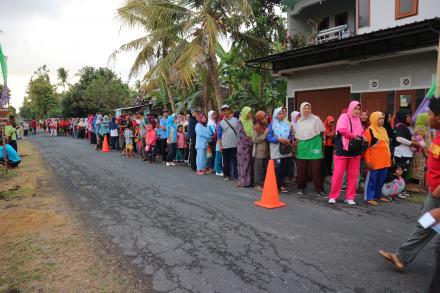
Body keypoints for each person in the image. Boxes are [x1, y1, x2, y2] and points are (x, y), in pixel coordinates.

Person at [378, 98, 440, 288]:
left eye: (430, 114)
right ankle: (402, 257)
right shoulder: (438, 136)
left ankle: (403, 257)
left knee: (428, 225)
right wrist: (426, 149)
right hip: (434, 194)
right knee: (425, 224)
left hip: (438, 195)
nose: (427, 117)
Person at [329, 101, 366, 205]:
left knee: (353, 175)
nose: (357, 111)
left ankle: (350, 197)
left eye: (359, 109)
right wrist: (354, 136)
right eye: (355, 108)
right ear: (350, 108)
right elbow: (342, 129)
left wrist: (363, 137)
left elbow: (361, 133)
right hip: (342, 149)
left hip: (355, 151)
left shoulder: (358, 119)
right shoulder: (344, 116)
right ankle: (333, 196)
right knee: (338, 174)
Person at [294, 102, 325, 196]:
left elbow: (321, 131)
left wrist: (318, 142)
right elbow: (297, 136)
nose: (307, 110)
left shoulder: (316, 119)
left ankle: (319, 189)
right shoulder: (299, 121)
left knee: (317, 169)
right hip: (303, 146)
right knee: (302, 169)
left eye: (308, 108)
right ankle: (301, 188)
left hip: (315, 145)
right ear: (301, 109)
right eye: (305, 108)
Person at [363, 112, 392, 206]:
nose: (382, 120)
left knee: (381, 179)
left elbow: (387, 145)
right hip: (374, 161)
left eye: (383, 118)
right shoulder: (369, 130)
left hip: (384, 161)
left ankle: (378, 195)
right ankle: (369, 197)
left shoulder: (384, 130)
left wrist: (389, 158)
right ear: (374, 119)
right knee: (372, 180)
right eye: (380, 118)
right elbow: (366, 148)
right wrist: (368, 161)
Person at [267, 107, 293, 193]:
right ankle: (274, 185)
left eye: (283, 113)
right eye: (279, 113)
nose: (282, 115)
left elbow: (290, 135)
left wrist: (289, 140)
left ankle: (281, 185)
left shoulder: (287, 124)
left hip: (285, 149)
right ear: (276, 114)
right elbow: (268, 137)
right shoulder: (271, 125)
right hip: (276, 150)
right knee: (276, 168)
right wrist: (278, 139)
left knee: (283, 168)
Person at [392, 110, 418, 183]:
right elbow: (399, 138)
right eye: (407, 116)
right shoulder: (400, 126)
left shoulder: (403, 126)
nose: (410, 118)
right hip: (401, 154)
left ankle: (401, 190)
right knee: (399, 173)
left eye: (410, 116)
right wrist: (412, 143)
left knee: (403, 174)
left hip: (404, 154)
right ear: (402, 117)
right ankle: (398, 191)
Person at [218, 105, 238, 181]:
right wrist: (220, 146)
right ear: (222, 112)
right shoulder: (221, 123)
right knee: (226, 161)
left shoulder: (236, 120)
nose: (225, 112)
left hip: (235, 144)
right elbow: (219, 135)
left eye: (227, 110)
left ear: (229, 110)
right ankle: (226, 175)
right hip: (225, 145)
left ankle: (236, 175)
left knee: (235, 160)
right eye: (224, 110)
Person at [411, 113, 432, 187]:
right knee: (418, 168)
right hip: (420, 153)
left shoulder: (424, 127)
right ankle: (415, 186)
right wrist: (425, 152)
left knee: (422, 168)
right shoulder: (420, 128)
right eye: (427, 118)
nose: (429, 119)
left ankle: (422, 186)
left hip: (424, 152)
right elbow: (420, 141)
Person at [236, 106, 254, 187]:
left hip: (250, 146)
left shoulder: (250, 122)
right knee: (243, 164)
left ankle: (249, 181)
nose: (250, 114)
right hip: (242, 147)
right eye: (248, 113)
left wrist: (253, 139)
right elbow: (241, 135)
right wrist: (251, 140)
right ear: (244, 113)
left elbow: (253, 132)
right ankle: (242, 181)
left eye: (250, 112)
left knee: (249, 163)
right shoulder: (240, 122)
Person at [253, 111, 269, 191]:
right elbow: (254, 140)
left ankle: (262, 184)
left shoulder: (266, 126)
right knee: (258, 168)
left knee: (264, 168)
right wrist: (264, 135)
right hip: (259, 151)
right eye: (263, 118)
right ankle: (257, 185)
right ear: (259, 119)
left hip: (266, 150)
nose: (265, 119)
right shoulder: (256, 127)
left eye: (265, 117)